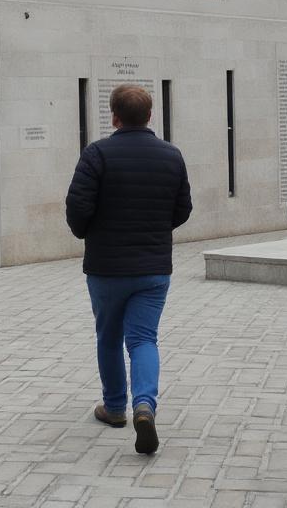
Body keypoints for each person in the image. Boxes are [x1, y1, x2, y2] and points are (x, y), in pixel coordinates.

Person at [66, 83, 192, 456]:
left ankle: (115, 407)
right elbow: (183, 208)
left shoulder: (97, 154)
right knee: (143, 339)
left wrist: (90, 233)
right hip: (153, 267)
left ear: (114, 116)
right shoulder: (171, 155)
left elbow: (77, 208)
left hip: (106, 266)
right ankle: (145, 406)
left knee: (108, 336)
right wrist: (154, 230)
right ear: (150, 115)